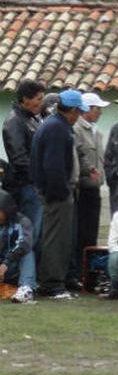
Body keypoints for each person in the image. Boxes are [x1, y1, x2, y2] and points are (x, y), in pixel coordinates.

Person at [31, 89, 87, 299]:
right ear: (72, 110)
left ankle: (52, 282)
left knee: (54, 237)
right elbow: (53, 166)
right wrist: (62, 192)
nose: (78, 116)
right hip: (57, 195)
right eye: (78, 112)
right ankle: (52, 284)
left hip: (52, 192)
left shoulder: (53, 124)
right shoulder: (58, 128)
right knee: (57, 240)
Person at [2, 80, 45, 251]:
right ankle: (19, 276)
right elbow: (19, 158)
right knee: (27, 236)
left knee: (34, 236)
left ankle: (28, 276)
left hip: (34, 185)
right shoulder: (14, 121)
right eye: (38, 99)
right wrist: (38, 177)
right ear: (25, 99)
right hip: (25, 186)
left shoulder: (31, 118)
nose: (41, 103)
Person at [73, 92, 109, 286]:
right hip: (82, 189)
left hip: (95, 188)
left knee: (92, 233)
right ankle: (79, 273)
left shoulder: (96, 131)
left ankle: (89, 274)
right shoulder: (77, 129)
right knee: (81, 234)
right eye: (97, 109)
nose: (100, 113)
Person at [0, 188, 36, 304]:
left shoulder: (22, 222)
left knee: (27, 251)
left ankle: (26, 289)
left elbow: (23, 243)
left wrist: (5, 263)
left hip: (12, 266)